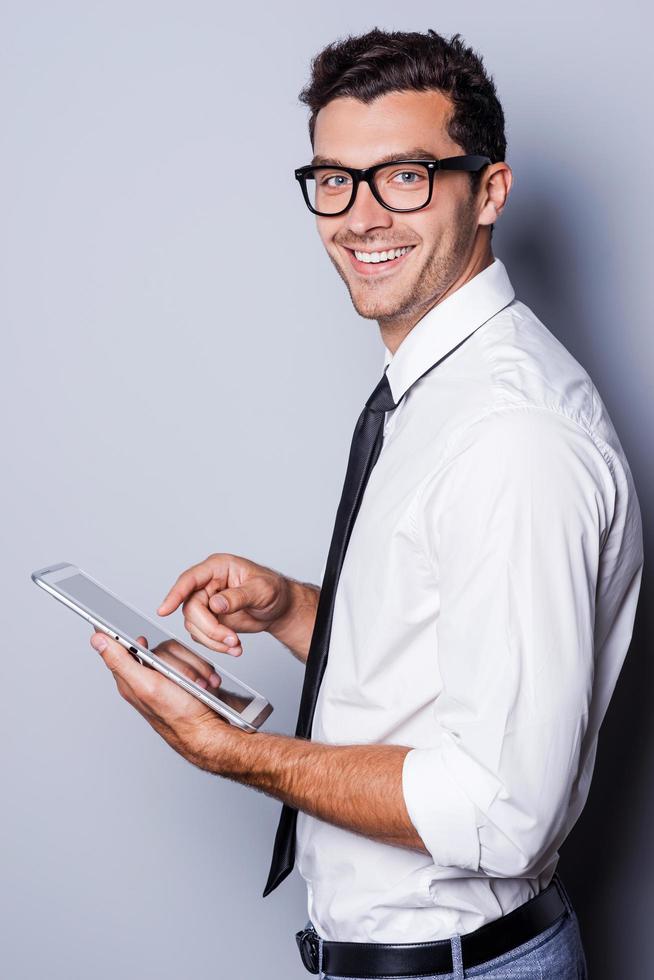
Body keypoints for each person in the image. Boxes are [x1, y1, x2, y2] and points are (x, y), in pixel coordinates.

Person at [89, 27, 644, 980]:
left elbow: (499, 810)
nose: (359, 215)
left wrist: (236, 753)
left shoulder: (512, 435)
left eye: (406, 177)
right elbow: (445, 665)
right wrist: (295, 610)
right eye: (335, 180)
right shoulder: (439, 390)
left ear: (490, 191)